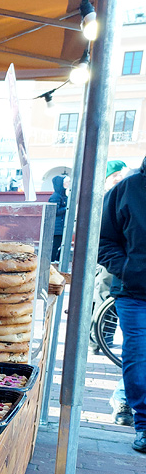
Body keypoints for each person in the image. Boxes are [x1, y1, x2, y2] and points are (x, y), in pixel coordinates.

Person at [98, 155, 146, 453]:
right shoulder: (126, 189)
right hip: (134, 292)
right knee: (138, 357)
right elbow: (103, 242)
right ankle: (143, 424)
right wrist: (130, 270)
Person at [48, 173, 69, 261]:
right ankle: (52, 262)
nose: (67, 184)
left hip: (61, 226)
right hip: (57, 227)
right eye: (66, 182)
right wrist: (68, 208)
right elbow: (54, 211)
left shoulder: (63, 195)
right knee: (55, 246)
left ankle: (56, 261)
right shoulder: (56, 196)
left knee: (61, 245)